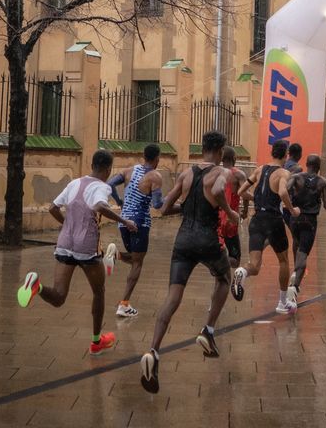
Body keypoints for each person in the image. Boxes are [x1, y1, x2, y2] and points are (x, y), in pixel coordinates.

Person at [139, 131, 241, 394]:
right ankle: (208, 330)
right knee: (224, 278)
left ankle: (153, 351)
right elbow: (217, 191)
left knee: (173, 297)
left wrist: (185, 208)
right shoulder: (221, 172)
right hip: (207, 239)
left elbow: (163, 208)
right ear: (220, 151)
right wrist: (229, 212)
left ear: (202, 149)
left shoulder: (185, 174)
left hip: (183, 241)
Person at [17, 150, 137, 356]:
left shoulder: (74, 183)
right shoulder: (102, 187)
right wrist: (124, 221)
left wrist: (68, 225)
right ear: (108, 169)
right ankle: (96, 342)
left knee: (58, 297)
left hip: (65, 242)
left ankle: (36, 286)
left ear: (91, 165)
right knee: (99, 292)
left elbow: (53, 208)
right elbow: (99, 205)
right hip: (87, 246)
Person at [231, 139, 300, 314]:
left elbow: (240, 192)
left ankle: (242, 271)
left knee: (254, 266)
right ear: (285, 155)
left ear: (272, 153)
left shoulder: (259, 169)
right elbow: (283, 192)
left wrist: (256, 199)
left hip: (256, 221)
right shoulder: (284, 173)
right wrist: (292, 210)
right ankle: (282, 303)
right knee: (283, 261)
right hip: (273, 221)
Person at [107, 144, 165, 317]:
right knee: (137, 262)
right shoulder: (155, 176)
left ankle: (116, 255)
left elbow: (109, 184)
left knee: (135, 258)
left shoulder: (128, 171)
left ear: (143, 156)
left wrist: (119, 201)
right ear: (157, 159)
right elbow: (158, 205)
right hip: (140, 222)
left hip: (123, 221)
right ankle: (124, 304)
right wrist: (173, 198)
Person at [285, 154, 326, 309]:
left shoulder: (296, 177)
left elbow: (285, 189)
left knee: (296, 243)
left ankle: (295, 272)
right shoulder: (322, 182)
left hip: (295, 218)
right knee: (303, 252)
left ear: (306, 164)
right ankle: (293, 288)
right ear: (319, 167)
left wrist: (291, 202)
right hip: (309, 220)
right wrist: (321, 196)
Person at [217, 145, 249, 268]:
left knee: (218, 248)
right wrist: (245, 211)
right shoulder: (239, 174)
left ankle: (216, 261)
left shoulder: (215, 173)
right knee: (235, 259)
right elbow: (244, 194)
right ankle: (219, 262)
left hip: (216, 219)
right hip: (231, 219)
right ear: (234, 158)